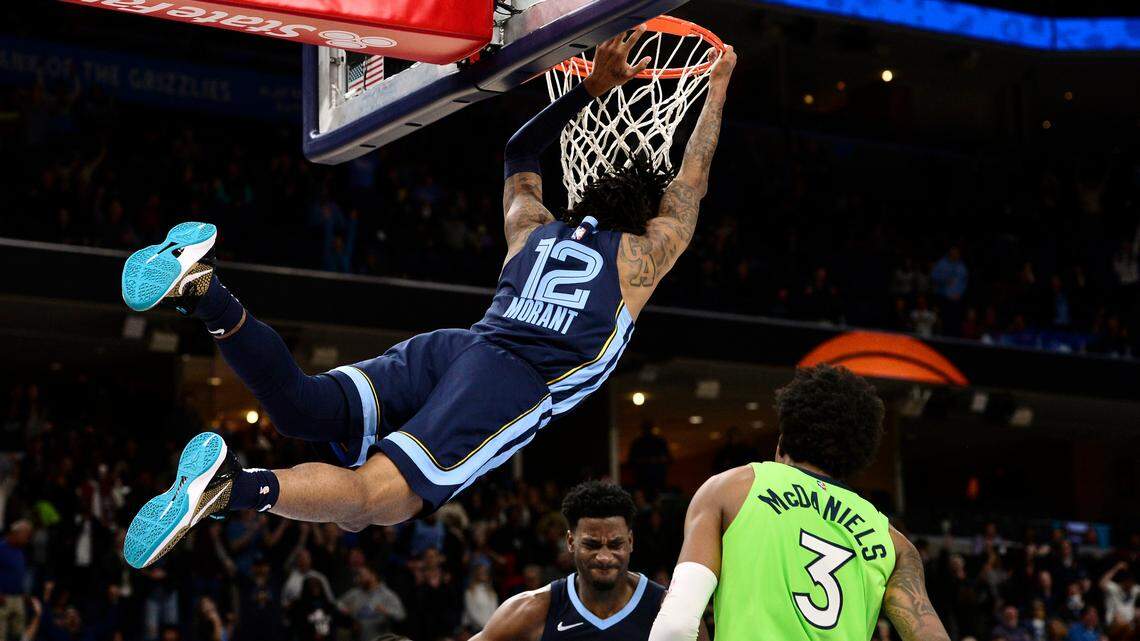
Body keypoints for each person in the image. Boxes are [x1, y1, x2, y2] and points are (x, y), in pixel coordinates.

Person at [118, 29, 737, 569]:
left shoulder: (533, 228)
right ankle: (231, 489)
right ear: (642, 213)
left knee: (306, 412)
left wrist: (587, 91)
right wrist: (719, 85)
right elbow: (693, 181)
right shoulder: (641, 258)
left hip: (456, 347)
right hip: (514, 381)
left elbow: (519, 152)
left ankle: (205, 290)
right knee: (372, 501)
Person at [647, 364, 951, 641]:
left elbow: (676, 625)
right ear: (860, 455)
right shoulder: (895, 543)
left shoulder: (729, 489)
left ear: (782, 441)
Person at [471, 481, 706, 641]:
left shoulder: (667, 610)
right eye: (592, 545)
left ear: (631, 541)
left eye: (615, 545)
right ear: (571, 542)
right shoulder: (534, 609)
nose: (604, 557)